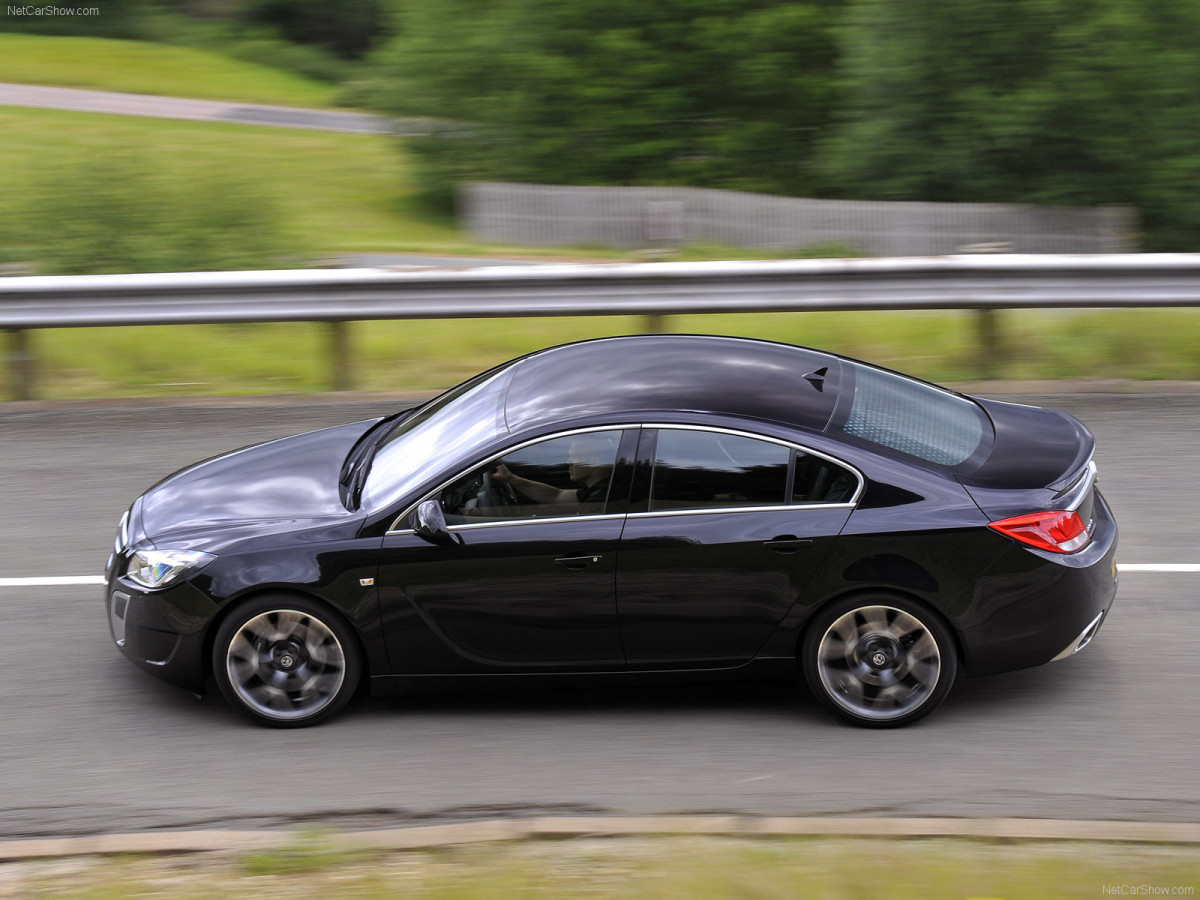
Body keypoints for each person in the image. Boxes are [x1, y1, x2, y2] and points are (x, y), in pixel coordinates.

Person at [491, 434, 614, 511]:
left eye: (575, 457)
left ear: (593, 463)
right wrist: (511, 478)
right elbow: (556, 496)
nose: (568, 462)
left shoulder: (599, 502)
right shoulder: (597, 490)